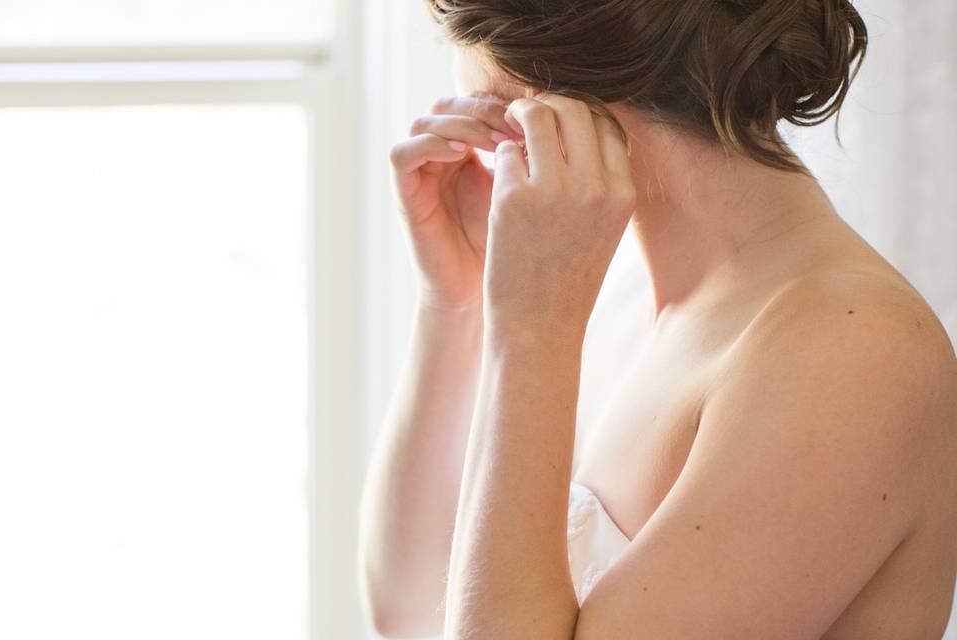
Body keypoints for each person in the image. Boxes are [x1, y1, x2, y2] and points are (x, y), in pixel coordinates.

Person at [358, 1, 957, 638]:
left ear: (536, 79)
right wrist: (458, 301)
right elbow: (413, 610)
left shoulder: (852, 352)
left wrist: (529, 335)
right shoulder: (611, 288)